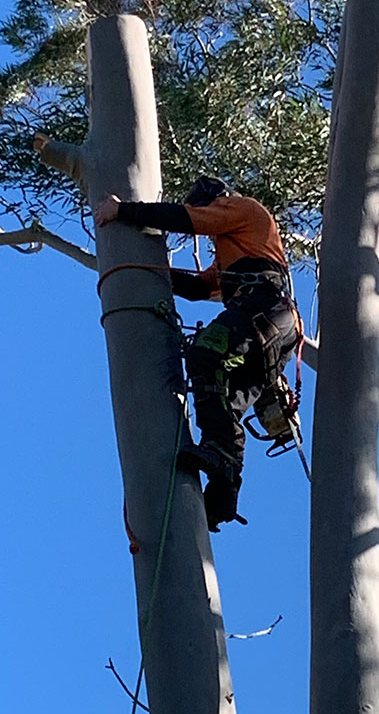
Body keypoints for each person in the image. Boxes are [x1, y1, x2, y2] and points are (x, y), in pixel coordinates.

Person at [95, 176, 299, 532]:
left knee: (206, 354)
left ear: (217, 200)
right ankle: (223, 493)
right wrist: (142, 270)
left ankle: (220, 455)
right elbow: (198, 288)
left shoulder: (244, 209)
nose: (207, 217)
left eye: (206, 209)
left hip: (265, 310)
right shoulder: (235, 248)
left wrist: (121, 211)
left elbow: (186, 218)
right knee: (225, 397)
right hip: (274, 327)